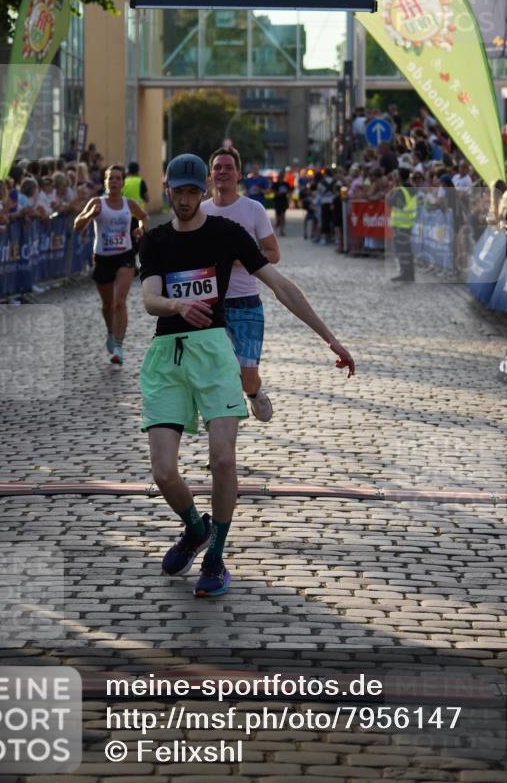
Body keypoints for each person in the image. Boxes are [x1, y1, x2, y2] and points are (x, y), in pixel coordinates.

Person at [139, 153, 355, 598]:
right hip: (167, 356)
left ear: (202, 191)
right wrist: (177, 305)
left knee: (223, 460)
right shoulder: (155, 239)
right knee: (163, 471)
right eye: (178, 192)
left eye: (192, 191)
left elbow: (281, 286)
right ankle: (194, 528)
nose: (185, 199)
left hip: (215, 354)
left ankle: (215, 555)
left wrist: (330, 339)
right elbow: (149, 299)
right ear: (168, 191)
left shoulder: (227, 233)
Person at [200, 145, 280, 422]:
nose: (222, 172)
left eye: (228, 167)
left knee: (247, 378)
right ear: (210, 175)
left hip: (246, 303)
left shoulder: (253, 209)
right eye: (217, 167)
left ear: (239, 174)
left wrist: (241, 258)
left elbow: (274, 253)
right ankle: (223, 426)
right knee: (220, 371)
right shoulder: (200, 211)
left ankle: (255, 393)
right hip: (212, 304)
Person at [74, 164, 148, 365]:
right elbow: (77, 226)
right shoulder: (97, 202)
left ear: (122, 183)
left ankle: (118, 346)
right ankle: (110, 331)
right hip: (103, 257)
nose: (114, 181)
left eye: (117, 178)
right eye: (110, 178)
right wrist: (90, 214)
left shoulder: (129, 204)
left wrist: (141, 229)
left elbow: (143, 217)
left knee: (119, 301)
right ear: (105, 182)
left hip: (125, 255)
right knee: (107, 305)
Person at [387, 167, 418, 281]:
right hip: (408, 222)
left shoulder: (400, 190)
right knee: (406, 249)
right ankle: (409, 273)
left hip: (401, 223)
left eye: (396, 176)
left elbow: (390, 202)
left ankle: (406, 274)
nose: (394, 177)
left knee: (402, 249)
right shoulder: (412, 188)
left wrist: (394, 188)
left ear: (399, 177)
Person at [273, 169, 291, 236]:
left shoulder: (286, 184)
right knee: (278, 216)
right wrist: (278, 193)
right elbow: (273, 191)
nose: (281, 177)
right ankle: (278, 222)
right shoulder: (275, 184)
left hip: (284, 201)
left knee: (283, 215)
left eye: (282, 176)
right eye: (280, 176)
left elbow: (289, 191)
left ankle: (282, 230)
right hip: (277, 201)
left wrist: (288, 196)